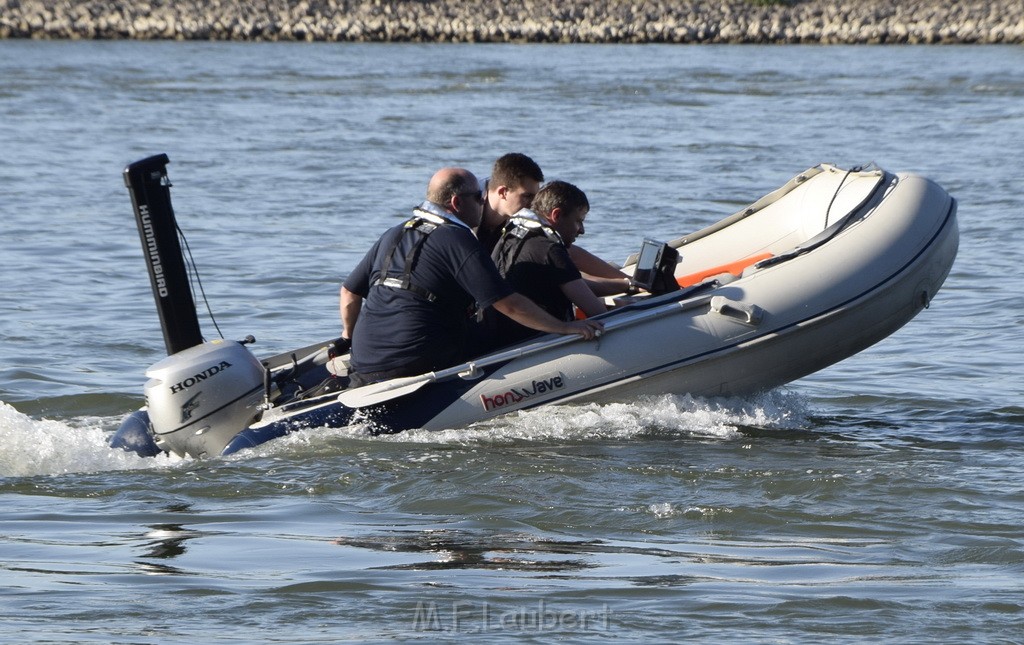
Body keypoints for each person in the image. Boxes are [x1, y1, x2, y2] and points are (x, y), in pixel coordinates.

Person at [339, 168, 603, 386]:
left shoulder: (394, 233)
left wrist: (348, 337)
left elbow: (349, 293)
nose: (483, 202)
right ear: (456, 203)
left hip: (366, 360)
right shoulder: (457, 238)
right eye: (478, 197)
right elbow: (506, 303)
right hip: (419, 359)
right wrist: (563, 327)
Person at [477, 153, 632, 297]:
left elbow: (567, 254)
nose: (532, 204)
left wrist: (628, 280)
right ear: (503, 192)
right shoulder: (465, 215)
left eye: (535, 196)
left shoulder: (521, 215)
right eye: (527, 196)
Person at [485, 180, 609, 349]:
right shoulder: (549, 249)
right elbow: (599, 313)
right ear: (556, 215)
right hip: (535, 346)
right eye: (578, 221)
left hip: (502, 341)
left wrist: (629, 285)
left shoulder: (512, 236)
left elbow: (575, 284)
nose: (582, 230)